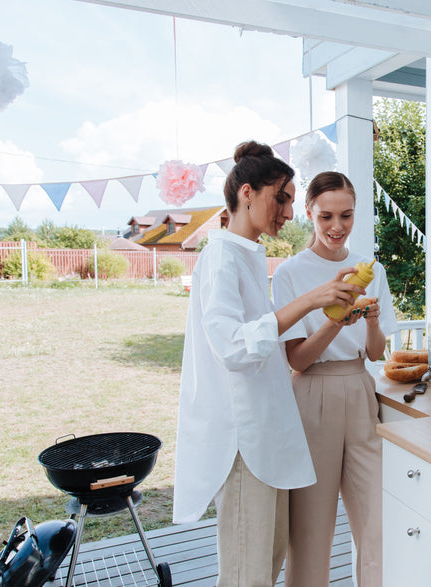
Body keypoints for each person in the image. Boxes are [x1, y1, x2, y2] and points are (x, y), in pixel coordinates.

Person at [172, 143, 365, 587]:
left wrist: (327, 310)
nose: (289, 211)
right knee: (248, 573)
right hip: (241, 442)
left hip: (264, 435)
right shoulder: (221, 256)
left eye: (293, 201)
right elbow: (233, 348)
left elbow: (268, 345)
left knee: (271, 556)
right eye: (282, 198)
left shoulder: (247, 254)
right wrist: (308, 301)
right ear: (247, 193)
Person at [272, 171, 398, 587]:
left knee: (379, 523)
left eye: (346, 215)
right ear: (309, 212)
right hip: (312, 395)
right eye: (326, 215)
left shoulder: (369, 268)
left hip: (362, 391)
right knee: (310, 530)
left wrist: (372, 323)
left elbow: (377, 352)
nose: (336, 226)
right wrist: (334, 320)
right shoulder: (290, 273)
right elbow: (298, 361)